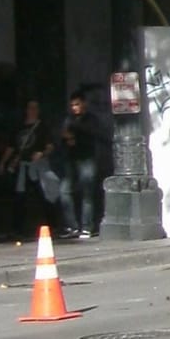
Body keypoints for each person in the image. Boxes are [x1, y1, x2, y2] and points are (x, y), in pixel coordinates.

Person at [0, 98, 59, 242]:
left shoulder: (42, 127)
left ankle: (53, 226)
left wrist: (42, 154)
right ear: (26, 110)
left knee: (45, 196)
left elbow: (50, 146)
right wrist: (2, 162)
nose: (33, 111)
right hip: (23, 166)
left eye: (35, 108)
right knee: (20, 199)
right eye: (30, 108)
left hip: (38, 167)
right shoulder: (19, 127)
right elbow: (11, 147)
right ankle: (17, 229)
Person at [63, 89, 106, 238]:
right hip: (72, 159)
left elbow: (95, 133)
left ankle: (87, 226)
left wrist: (76, 130)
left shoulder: (90, 119)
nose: (74, 108)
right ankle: (72, 226)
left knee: (87, 193)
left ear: (83, 104)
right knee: (65, 192)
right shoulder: (69, 120)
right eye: (72, 105)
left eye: (77, 104)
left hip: (87, 158)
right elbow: (64, 137)